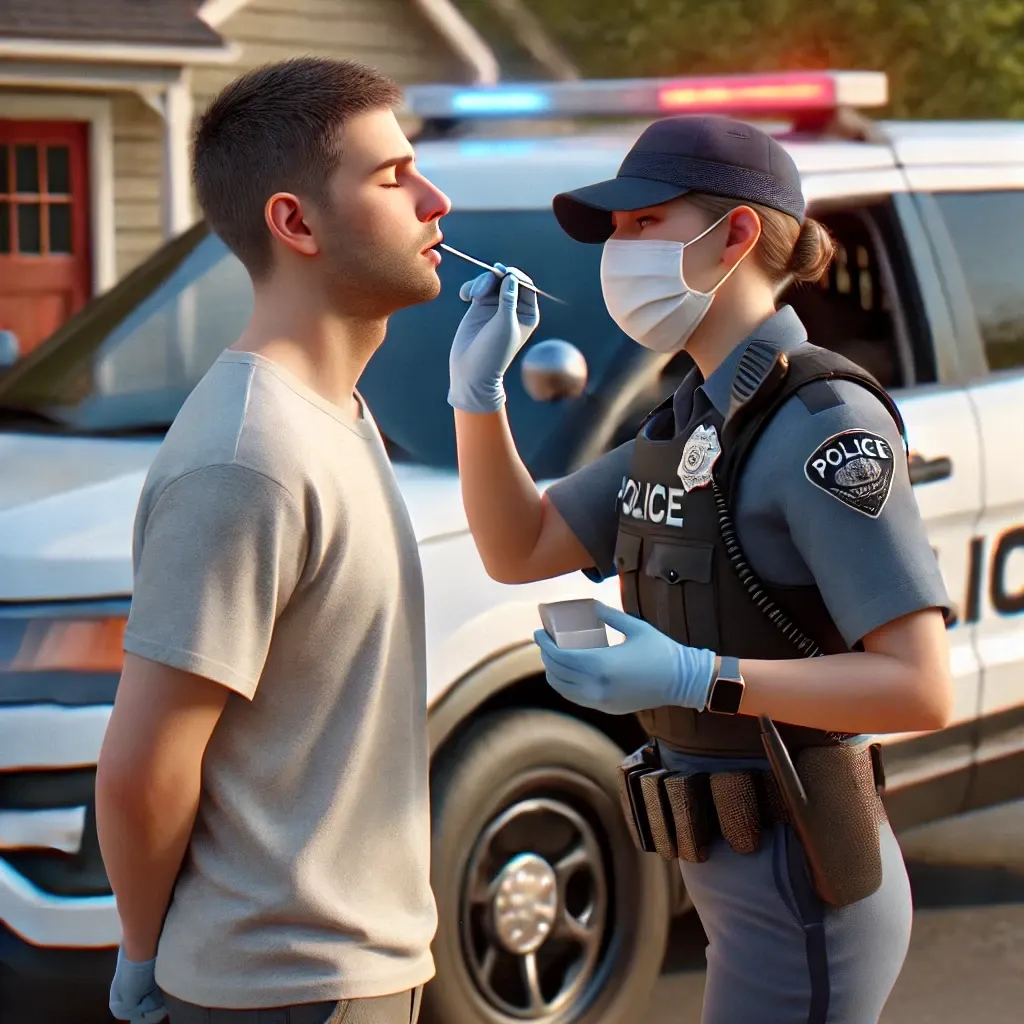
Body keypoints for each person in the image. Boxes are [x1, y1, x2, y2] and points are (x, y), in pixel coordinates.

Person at [445, 113, 954, 1023]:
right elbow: (517, 546)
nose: (617, 248)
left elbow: (918, 689)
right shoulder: (691, 420)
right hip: (736, 874)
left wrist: (698, 678)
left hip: (807, 879)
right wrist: (476, 400)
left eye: (645, 223)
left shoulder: (822, 424)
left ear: (739, 235)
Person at [94, 56, 450, 1024]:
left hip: (355, 969)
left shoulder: (333, 413)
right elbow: (145, 761)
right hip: (282, 989)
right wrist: (141, 956)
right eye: (392, 177)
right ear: (294, 222)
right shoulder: (247, 455)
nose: (434, 198)